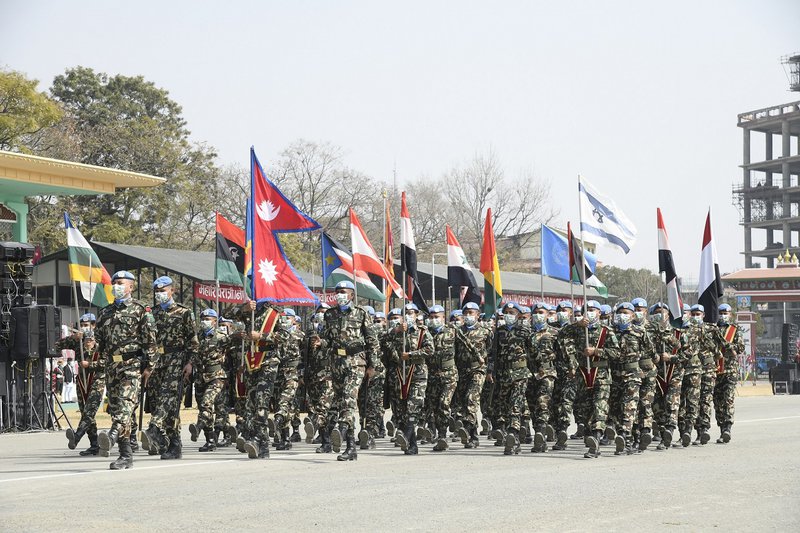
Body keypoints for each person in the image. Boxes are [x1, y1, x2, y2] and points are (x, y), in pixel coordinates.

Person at [95, 270, 157, 470]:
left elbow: (151, 342)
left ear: (131, 287)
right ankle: (125, 455)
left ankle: (111, 436)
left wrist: (149, 367)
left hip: (132, 366)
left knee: (125, 405)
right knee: (120, 412)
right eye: (114, 283)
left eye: (121, 283)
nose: (116, 286)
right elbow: (100, 344)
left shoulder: (141, 310)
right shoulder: (105, 312)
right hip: (112, 367)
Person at [140, 276, 199, 460]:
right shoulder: (152, 314)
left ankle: (153, 429)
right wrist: (147, 365)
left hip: (177, 360)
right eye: (157, 291)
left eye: (163, 290)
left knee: (167, 397)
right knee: (164, 404)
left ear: (172, 290)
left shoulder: (184, 312)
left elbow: (193, 341)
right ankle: (173, 444)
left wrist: (190, 363)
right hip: (157, 361)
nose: (160, 294)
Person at [320, 281, 379, 461]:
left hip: (356, 363)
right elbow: (327, 340)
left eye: (343, 292)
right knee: (342, 401)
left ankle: (342, 428)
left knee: (348, 397)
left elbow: (372, 341)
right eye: (337, 292)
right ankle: (351, 447)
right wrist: (319, 343)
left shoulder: (361, 314)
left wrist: (372, 365)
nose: (340, 295)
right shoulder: (330, 314)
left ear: (352, 295)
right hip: (337, 363)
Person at [564, 300, 619, 459]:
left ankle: (596, 436)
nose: (590, 312)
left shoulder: (606, 331)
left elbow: (616, 353)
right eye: (587, 310)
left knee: (599, 407)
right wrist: (577, 325)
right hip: (583, 375)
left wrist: (596, 351)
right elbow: (561, 335)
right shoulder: (578, 330)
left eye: (593, 310)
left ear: (599, 313)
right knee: (584, 410)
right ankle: (590, 436)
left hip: (600, 374)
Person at [387, 303, 433, 455]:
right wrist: (396, 331)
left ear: (417, 314)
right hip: (400, 374)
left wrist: (412, 355)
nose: (409, 315)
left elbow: (429, 350)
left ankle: (405, 436)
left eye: (411, 312)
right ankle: (411, 444)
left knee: (414, 406)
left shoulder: (422, 332)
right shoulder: (396, 332)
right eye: (405, 313)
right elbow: (383, 345)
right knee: (401, 410)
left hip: (418, 373)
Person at [56, 313, 106, 455]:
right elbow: (57, 345)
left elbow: (109, 361)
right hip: (82, 380)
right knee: (85, 412)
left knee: (90, 411)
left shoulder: (102, 340)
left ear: (94, 325)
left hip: (97, 379)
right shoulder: (78, 341)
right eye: (82, 326)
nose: (84, 328)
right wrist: (73, 338)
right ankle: (94, 444)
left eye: (87, 325)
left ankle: (77, 436)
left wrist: (90, 364)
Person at [490, 302, 533, 455]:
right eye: (506, 312)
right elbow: (493, 353)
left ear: (518, 315)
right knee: (503, 406)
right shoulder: (499, 331)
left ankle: (512, 434)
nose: (509, 315)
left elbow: (532, 352)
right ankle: (516, 437)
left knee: (515, 405)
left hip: (520, 374)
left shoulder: (524, 330)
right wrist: (491, 371)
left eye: (512, 312)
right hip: (503, 375)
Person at [187, 309, 229, 452]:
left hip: (216, 376)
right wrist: (189, 365)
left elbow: (234, 349)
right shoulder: (197, 337)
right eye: (203, 318)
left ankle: (197, 427)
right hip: (200, 378)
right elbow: (193, 353)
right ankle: (210, 440)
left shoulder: (221, 337)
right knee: (204, 409)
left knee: (207, 403)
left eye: (208, 318)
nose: (205, 321)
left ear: (215, 321)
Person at [454, 302, 493, 449]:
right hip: (462, 371)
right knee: (464, 403)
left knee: (471, 398)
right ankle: (473, 434)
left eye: (472, 312)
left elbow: (490, 352)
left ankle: (468, 429)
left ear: (478, 314)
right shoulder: (457, 332)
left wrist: (489, 370)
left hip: (478, 370)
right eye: (467, 312)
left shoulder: (485, 331)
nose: (469, 315)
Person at [714, 303, 744, 443]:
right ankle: (721, 428)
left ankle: (727, 427)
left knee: (728, 398)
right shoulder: (713, 329)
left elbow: (740, 348)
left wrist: (729, 346)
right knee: (717, 400)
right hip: (715, 369)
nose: (723, 315)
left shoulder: (734, 330)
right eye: (721, 312)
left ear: (730, 314)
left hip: (730, 370)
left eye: (725, 312)